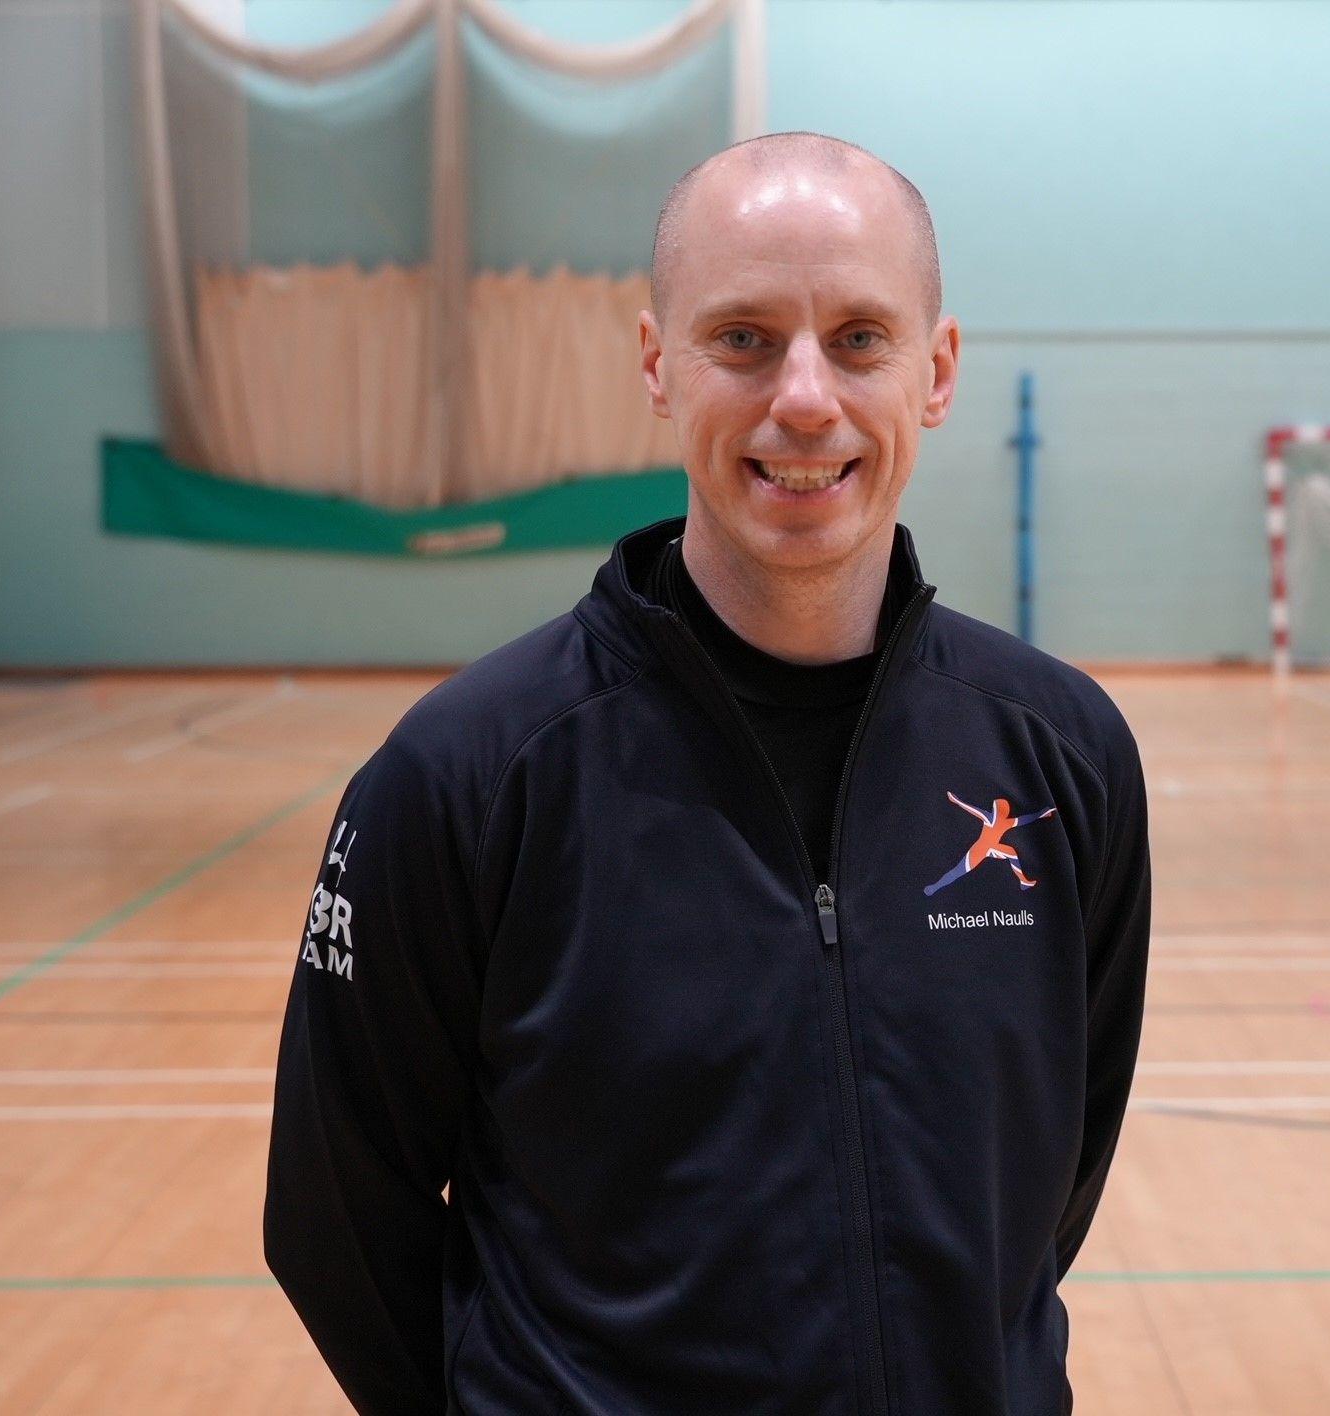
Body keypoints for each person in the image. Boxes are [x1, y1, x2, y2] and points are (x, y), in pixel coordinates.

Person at [265, 131, 1152, 1416]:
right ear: (656, 366)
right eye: (741, 339)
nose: (804, 398)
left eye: (859, 338)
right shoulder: (465, 775)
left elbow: (1048, 1188)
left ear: (937, 370)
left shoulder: (1061, 758)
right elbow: (338, 1221)